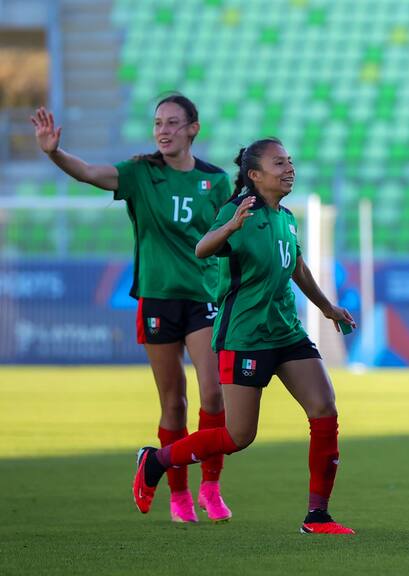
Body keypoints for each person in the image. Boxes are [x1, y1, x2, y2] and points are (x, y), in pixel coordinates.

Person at [131, 138, 356, 535]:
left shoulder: (286, 217)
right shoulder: (236, 211)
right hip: (244, 336)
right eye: (278, 163)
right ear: (255, 176)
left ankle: (317, 515)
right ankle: (156, 461)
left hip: (285, 330)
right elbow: (202, 249)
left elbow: (297, 266)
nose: (289, 168)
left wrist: (325, 307)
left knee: (324, 408)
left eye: (290, 161)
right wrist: (230, 227)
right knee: (238, 436)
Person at [30, 95, 232, 523]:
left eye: (174, 123)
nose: (163, 130)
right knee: (173, 403)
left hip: (203, 297)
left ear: (193, 128)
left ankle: (210, 487)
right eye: (158, 122)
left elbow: (231, 241)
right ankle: (178, 495)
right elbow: (88, 173)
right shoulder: (141, 173)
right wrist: (54, 153)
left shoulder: (215, 183)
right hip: (157, 298)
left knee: (213, 392)